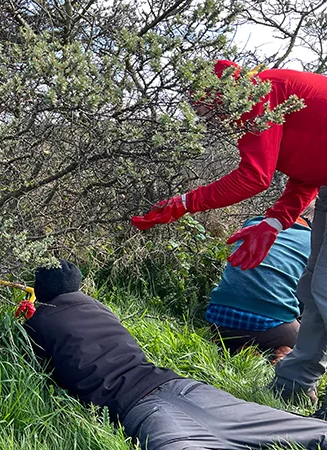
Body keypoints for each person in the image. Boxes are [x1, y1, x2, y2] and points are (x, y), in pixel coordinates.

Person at [130, 60, 327, 408]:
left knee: (325, 289)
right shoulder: (263, 97)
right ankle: (293, 388)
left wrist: (184, 203)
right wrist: (276, 221)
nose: (206, 117)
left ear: (220, 92)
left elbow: (254, 176)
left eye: (203, 106)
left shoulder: (260, 93)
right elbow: (309, 171)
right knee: (313, 288)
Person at [23, 260, 327, 450]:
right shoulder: (100, 307)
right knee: (311, 432)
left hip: (143, 410)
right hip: (186, 388)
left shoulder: (39, 322)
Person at [207, 209, 312, 360]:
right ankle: (279, 350)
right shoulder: (313, 241)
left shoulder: (254, 222)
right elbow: (308, 297)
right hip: (272, 329)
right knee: (311, 336)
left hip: (218, 318)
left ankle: (239, 346)